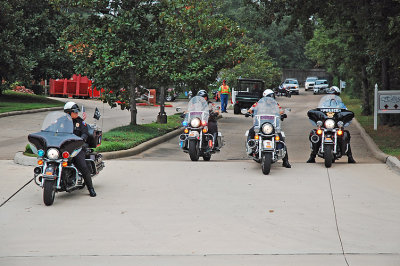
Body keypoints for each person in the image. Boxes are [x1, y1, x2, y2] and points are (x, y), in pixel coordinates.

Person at [246, 89, 291, 168]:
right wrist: (248, 113)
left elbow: (281, 111)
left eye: (272, 96)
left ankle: (285, 161)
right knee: (251, 131)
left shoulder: (275, 104)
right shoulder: (258, 103)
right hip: (260, 125)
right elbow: (251, 110)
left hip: (272, 125)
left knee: (280, 138)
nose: (272, 98)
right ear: (265, 97)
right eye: (270, 96)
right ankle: (250, 148)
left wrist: (283, 114)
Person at [306, 98, 356, 164]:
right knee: (315, 134)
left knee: (345, 135)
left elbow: (346, 111)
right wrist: (316, 112)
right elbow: (317, 111)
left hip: (336, 126)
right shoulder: (324, 105)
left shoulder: (341, 105)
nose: (332, 95)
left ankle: (350, 157)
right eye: (331, 93)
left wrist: (346, 114)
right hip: (325, 125)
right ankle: (312, 156)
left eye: (333, 93)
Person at [64, 101, 97, 197]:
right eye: (74, 112)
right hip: (63, 147)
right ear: (68, 113)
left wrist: (82, 138)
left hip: (76, 147)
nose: (76, 113)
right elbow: (52, 129)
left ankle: (90, 188)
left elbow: (85, 132)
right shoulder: (61, 121)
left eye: (77, 112)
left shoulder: (80, 122)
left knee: (83, 166)